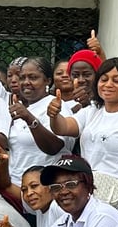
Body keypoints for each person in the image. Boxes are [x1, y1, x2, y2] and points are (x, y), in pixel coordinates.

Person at [48, 57, 118, 227]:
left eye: (116, 80)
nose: (108, 85)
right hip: (93, 202)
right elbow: (63, 127)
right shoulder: (92, 111)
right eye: (104, 79)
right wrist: (54, 115)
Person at [7, 57, 73, 185]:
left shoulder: (56, 105)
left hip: (43, 185)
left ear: (47, 80)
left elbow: (54, 147)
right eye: (22, 78)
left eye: (33, 77)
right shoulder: (22, 108)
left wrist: (29, 119)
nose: (26, 82)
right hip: (16, 184)